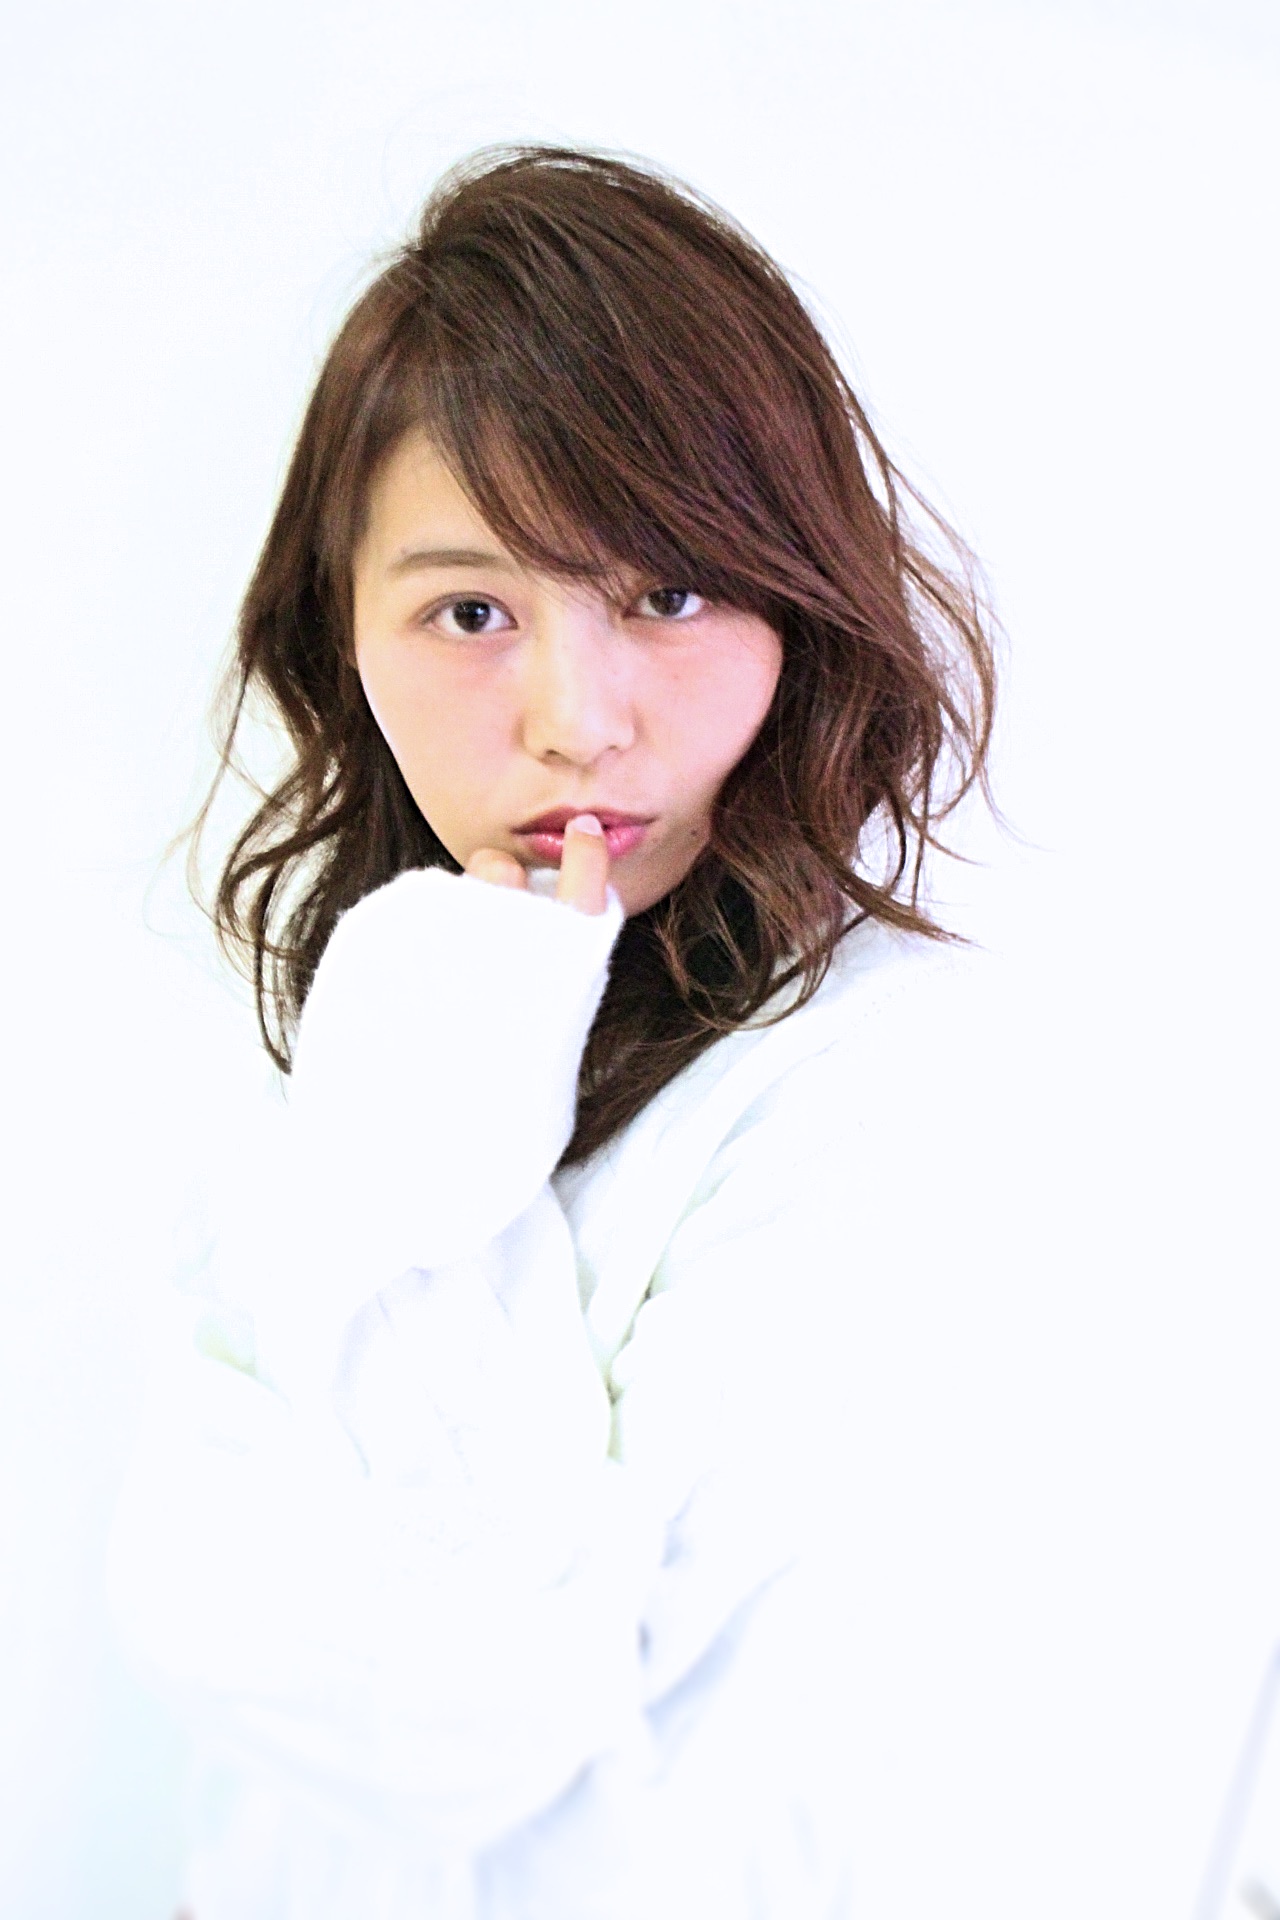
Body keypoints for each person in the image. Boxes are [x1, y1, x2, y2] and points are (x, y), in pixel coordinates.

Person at [107, 143, 998, 1919]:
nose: (574, 720)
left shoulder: (890, 1087)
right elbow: (185, 1630)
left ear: (796, 606)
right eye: (470, 612)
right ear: (339, 642)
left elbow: (480, 1725)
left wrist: (423, 1145)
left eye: (669, 595)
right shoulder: (340, 1071)